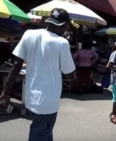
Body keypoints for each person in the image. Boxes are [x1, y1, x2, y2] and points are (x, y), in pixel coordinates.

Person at [0, 8, 75, 141]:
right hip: (48, 102)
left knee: (45, 132)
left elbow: (17, 65)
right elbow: (69, 73)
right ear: (64, 25)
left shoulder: (29, 34)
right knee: (41, 132)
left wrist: (6, 91)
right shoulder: (62, 43)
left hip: (31, 98)